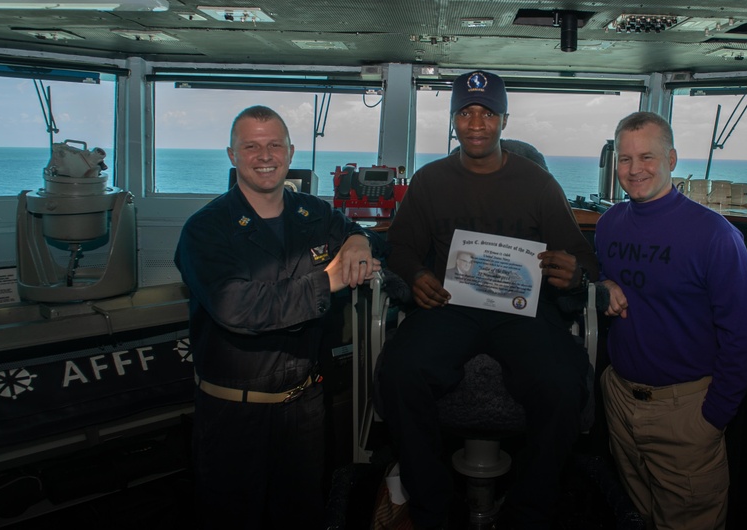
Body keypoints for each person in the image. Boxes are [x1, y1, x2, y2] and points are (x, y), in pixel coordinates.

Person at [377, 70, 599, 530]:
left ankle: (526, 511)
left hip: (522, 312)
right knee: (399, 372)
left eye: (488, 113)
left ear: (504, 120)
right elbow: (399, 247)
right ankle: (433, 507)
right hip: (449, 306)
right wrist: (416, 274)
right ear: (454, 119)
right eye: (466, 112)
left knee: (563, 383)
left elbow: (580, 257)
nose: (476, 122)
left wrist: (574, 273)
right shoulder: (430, 180)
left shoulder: (537, 183)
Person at [174, 105, 381, 529]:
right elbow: (238, 307)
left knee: (304, 512)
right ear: (232, 155)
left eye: (273, 145)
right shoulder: (205, 230)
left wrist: (359, 239)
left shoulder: (314, 214)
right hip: (235, 416)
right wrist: (329, 281)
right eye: (251, 146)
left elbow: (371, 239)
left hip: (304, 408)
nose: (264, 156)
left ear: (290, 151)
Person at [595, 111, 747, 530]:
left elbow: (744, 336)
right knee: (641, 514)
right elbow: (613, 284)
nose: (635, 170)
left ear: (672, 158)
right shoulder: (609, 224)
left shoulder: (716, 236)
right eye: (625, 159)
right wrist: (603, 285)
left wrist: (712, 418)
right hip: (620, 398)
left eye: (647, 157)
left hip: (686, 410)